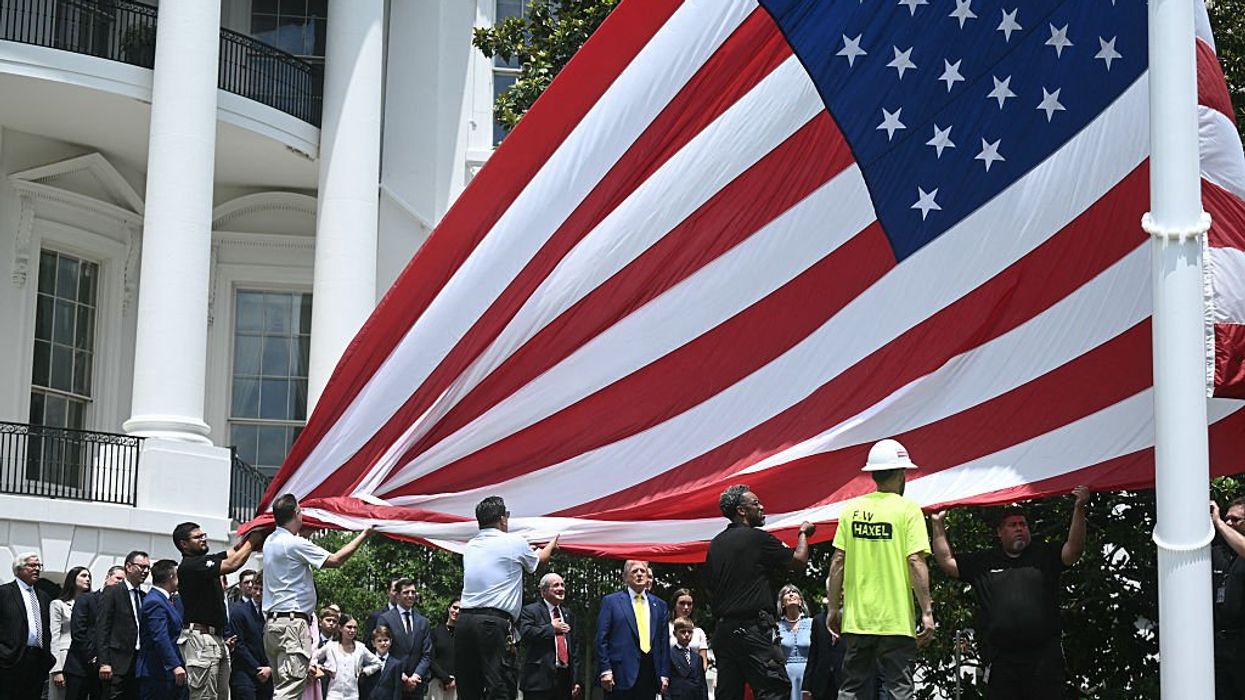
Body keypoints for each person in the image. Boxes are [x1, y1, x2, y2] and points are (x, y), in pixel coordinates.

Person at [930, 485, 1089, 699]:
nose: (1019, 528)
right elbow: (947, 562)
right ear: (999, 532)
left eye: (1023, 524)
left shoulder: (1045, 555)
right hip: (1001, 661)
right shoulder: (985, 562)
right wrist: (937, 524)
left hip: (1043, 659)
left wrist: (1079, 508)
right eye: (1012, 525)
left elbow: (1074, 550)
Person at [827, 439, 933, 700]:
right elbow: (915, 561)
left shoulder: (852, 510)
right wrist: (927, 611)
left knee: (851, 690)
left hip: (857, 620)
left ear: (872, 473)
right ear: (900, 473)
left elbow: (838, 560)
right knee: (899, 691)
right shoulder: (908, 510)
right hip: (895, 622)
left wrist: (832, 609)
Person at [702, 486, 815, 700]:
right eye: (755, 504)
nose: (762, 507)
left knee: (728, 694)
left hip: (724, 632)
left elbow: (708, 587)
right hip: (754, 630)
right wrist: (802, 533)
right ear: (741, 511)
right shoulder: (757, 538)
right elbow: (798, 561)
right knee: (774, 691)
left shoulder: (715, 544)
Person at [262, 494, 374, 700]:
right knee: (289, 689)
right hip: (292, 626)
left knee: (283, 686)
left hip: (273, 625)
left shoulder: (271, 541)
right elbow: (335, 560)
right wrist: (365, 534)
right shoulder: (293, 544)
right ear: (296, 513)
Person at [456, 496, 558, 700]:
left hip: (464, 622)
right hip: (492, 624)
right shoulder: (514, 542)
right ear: (503, 519)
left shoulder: (471, 545)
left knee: (469, 687)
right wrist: (553, 541)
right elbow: (540, 561)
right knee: (500, 685)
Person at [173, 521, 267, 700]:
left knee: (222, 696)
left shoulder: (203, 562)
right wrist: (252, 541)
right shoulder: (190, 566)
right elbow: (232, 563)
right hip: (200, 639)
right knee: (205, 696)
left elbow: (231, 552)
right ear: (184, 544)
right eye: (197, 537)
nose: (203, 539)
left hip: (216, 638)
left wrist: (252, 538)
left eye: (203, 535)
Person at [595, 560, 669, 700]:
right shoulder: (611, 602)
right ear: (625, 577)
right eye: (635, 571)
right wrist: (605, 669)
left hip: (650, 674)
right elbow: (601, 638)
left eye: (643, 571)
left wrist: (664, 673)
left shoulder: (659, 605)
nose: (640, 574)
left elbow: (663, 642)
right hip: (619, 675)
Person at [98, 550, 153, 700]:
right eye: (141, 567)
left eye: (148, 568)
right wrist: (104, 662)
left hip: (139, 661)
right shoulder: (113, 592)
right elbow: (103, 627)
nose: (146, 571)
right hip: (117, 662)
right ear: (128, 567)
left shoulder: (144, 597)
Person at [518, 573, 581, 700]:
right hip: (538, 680)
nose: (561, 588)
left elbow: (575, 649)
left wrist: (576, 680)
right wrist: (551, 628)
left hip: (564, 679)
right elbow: (525, 633)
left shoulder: (568, 614)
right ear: (543, 590)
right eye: (556, 585)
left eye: (562, 585)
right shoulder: (530, 611)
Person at [0, 551, 54, 699]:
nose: (37, 569)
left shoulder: (43, 596)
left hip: (37, 660)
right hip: (10, 660)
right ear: (19, 569)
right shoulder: (4, 593)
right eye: (32, 565)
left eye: (39, 565)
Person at [66, 565, 125, 700]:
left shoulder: (121, 605)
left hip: (105, 668)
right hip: (80, 665)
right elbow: (79, 631)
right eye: (118, 578)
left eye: (123, 581)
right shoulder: (87, 598)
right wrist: (93, 657)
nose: (120, 583)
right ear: (107, 577)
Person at [136, 559, 187, 700]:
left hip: (165, 672)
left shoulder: (166, 600)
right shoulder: (155, 601)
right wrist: (174, 665)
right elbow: (160, 636)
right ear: (172, 577)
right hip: (157, 671)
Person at [378, 579, 433, 699]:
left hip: (416, 686)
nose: (410, 596)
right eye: (406, 592)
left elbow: (427, 654)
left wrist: (415, 676)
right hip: (392, 684)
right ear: (397, 595)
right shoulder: (385, 619)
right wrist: (401, 675)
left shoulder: (423, 622)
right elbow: (381, 650)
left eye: (413, 592)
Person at [1212, 497, 1245, 699]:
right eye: (1226, 519)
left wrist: (1218, 523)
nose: (1229, 523)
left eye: (1236, 519)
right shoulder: (1217, 553)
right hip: (1218, 644)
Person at [312, 615, 383, 700]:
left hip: (353, 695)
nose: (352, 630)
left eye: (355, 628)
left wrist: (364, 671)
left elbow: (378, 663)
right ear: (340, 628)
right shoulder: (330, 646)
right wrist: (322, 668)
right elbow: (313, 657)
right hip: (333, 695)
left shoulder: (360, 648)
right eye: (349, 627)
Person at [230, 570, 273, 700]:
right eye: (255, 589)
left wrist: (269, 668)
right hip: (245, 673)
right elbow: (239, 644)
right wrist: (257, 668)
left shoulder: (271, 613)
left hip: (267, 674)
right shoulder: (239, 611)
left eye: (262, 589)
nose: (258, 593)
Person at [51, 567, 92, 699]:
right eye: (83, 576)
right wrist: (56, 669)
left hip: (85, 658)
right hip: (65, 656)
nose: (88, 579)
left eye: (89, 576)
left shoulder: (91, 604)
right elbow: (54, 635)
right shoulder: (58, 604)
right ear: (73, 579)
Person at [801, 603, 846, 700]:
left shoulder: (852, 620)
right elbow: (813, 655)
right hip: (821, 684)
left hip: (844, 682)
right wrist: (806, 687)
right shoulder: (818, 620)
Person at [775, 585, 811, 700]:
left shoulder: (813, 624)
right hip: (785, 677)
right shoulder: (776, 627)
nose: (791, 594)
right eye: (787, 593)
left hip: (808, 677)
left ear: (800, 601)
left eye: (794, 592)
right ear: (782, 603)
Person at [665, 618, 708, 700]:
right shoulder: (669, 655)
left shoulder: (697, 658)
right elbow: (667, 682)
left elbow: (702, 684)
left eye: (690, 632)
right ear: (675, 633)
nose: (687, 634)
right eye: (683, 632)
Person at [666, 590, 707, 672]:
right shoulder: (666, 628)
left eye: (689, 604)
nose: (686, 607)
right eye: (682, 603)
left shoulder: (698, 632)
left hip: (694, 678)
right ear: (674, 605)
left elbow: (703, 661)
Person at [365, 626, 406, 700]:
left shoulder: (396, 664)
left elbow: (397, 690)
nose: (383, 643)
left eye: (386, 640)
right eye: (379, 641)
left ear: (390, 642)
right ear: (373, 643)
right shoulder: (367, 662)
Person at [428, 600, 458, 700]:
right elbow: (430, 658)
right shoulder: (436, 632)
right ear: (449, 608)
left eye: (460, 609)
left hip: (457, 685)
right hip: (438, 683)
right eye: (454, 607)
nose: (457, 611)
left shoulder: (464, 635)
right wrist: (445, 679)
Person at [364, 581, 403, 650]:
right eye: (394, 590)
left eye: (400, 590)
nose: (398, 594)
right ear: (388, 592)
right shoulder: (376, 616)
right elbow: (368, 644)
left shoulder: (411, 616)